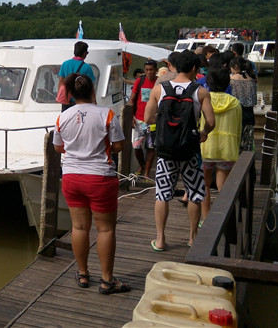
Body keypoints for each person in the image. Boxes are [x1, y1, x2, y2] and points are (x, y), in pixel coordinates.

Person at [53, 73, 130, 295]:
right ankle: (107, 280)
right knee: (105, 228)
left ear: (71, 94)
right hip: (99, 177)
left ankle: (83, 273)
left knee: (79, 227)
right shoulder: (106, 114)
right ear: (92, 91)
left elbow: (59, 147)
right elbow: (118, 145)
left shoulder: (63, 117)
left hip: (72, 178)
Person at [144, 50, 215, 250]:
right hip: (190, 150)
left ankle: (160, 239)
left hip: (166, 150)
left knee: (162, 194)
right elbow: (211, 121)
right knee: (194, 192)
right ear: (194, 68)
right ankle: (192, 238)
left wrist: (164, 126)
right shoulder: (200, 91)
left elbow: (148, 117)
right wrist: (204, 132)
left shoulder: (160, 89)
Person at [199, 67, 241, 222]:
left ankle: (205, 218)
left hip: (205, 147)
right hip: (227, 149)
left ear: (208, 82)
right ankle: (223, 218)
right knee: (223, 186)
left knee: (205, 185)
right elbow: (238, 127)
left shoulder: (204, 99)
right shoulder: (235, 102)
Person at [127, 59, 158, 178]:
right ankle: (143, 165)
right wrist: (131, 117)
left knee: (150, 147)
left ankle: (146, 173)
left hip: (153, 120)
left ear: (155, 70)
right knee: (136, 146)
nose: (149, 72)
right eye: (147, 70)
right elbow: (132, 100)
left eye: (151, 70)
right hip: (139, 119)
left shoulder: (158, 83)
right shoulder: (139, 81)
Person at [230, 56, 258, 152]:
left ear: (236, 66)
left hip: (236, 114)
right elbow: (254, 101)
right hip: (249, 114)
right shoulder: (252, 80)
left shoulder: (231, 80)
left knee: (236, 141)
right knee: (247, 142)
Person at [58, 41, 96, 111]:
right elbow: (91, 87)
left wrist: (61, 96)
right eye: (87, 53)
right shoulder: (87, 67)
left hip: (66, 101)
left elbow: (61, 82)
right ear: (84, 53)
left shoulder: (65, 64)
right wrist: (94, 101)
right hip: (80, 102)